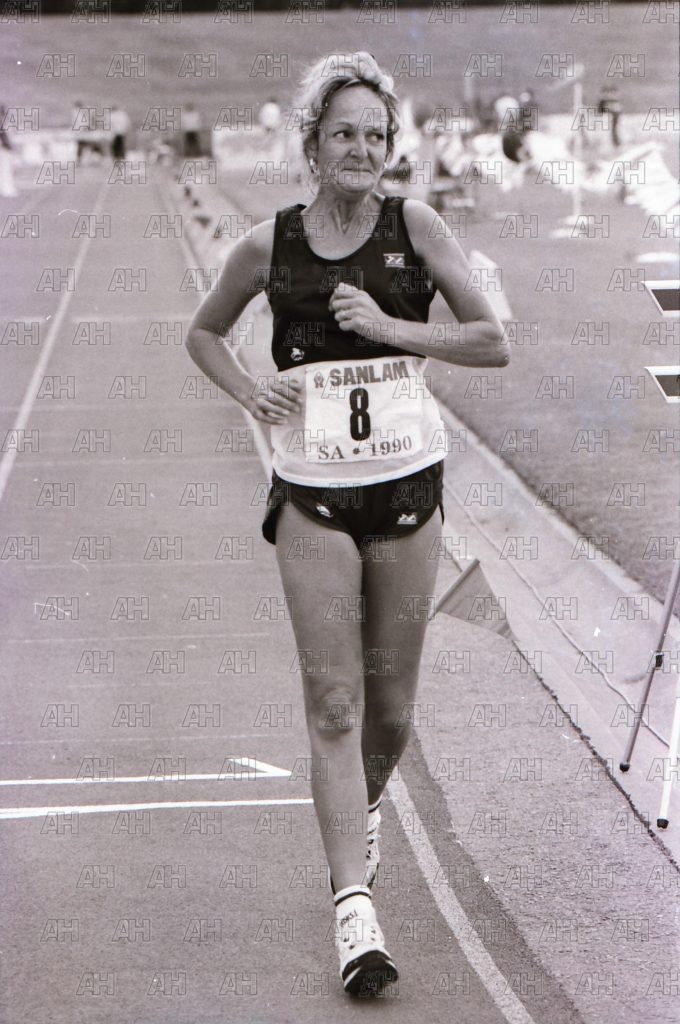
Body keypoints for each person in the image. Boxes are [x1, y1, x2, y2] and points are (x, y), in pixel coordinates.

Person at [185, 51, 508, 996]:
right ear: (313, 145)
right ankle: (354, 912)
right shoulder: (268, 247)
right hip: (313, 497)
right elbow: (202, 332)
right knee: (334, 702)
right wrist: (251, 391)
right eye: (344, 135)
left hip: (406, 493)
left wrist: (390, 327)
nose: (362, 149)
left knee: (391, 712)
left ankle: (360, 810)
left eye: (375, 135)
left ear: (389, 146)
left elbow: (492, 341)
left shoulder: (417, 226)